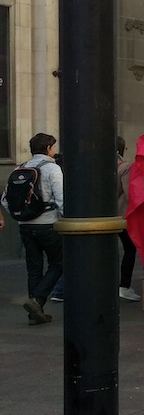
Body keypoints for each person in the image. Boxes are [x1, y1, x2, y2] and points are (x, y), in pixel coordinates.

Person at [4, 133, 64, 325]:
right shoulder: (52, 169)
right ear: (47, 148)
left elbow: (6, 200)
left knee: (34, 269)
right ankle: (37, 300)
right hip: (47, 224)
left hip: (25, 227)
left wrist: (23, 215)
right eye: (53, 147)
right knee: (60, 263)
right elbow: (62, 200)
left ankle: (34, 315)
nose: (54, 150)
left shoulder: (20, 168)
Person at [117, 136, 142, 302]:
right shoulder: (124, 167)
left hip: (104, 216)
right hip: (122, 215)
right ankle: (124, 286)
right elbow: (129, 192)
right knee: (130, 249)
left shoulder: (99, 165)